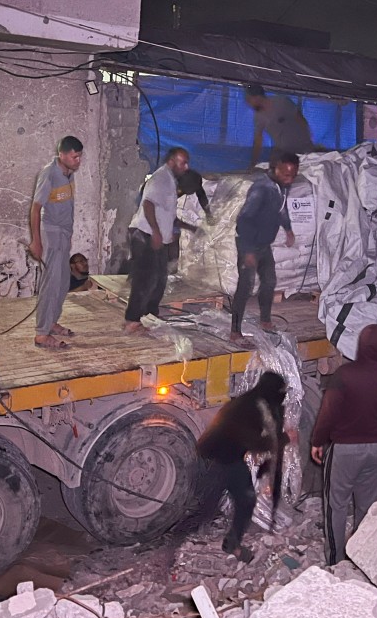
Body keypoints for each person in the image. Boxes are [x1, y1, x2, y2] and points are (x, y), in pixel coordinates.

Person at [311, 324, 377, 565]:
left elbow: (328, 411)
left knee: (336, 505)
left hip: (345, 449)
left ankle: (336, 561)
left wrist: (318, 440)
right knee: (367, 507)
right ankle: (361, 558)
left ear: (361, 346)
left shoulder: (344, 375)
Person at [195, 372, 290, 564]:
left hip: (212, 455)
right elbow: (257, 441)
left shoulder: (248, 401)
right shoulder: (255, 407)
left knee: (206, 503)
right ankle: (232, 545)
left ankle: (191, 539)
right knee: (245, 500)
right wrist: (286, 438)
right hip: (223, 458)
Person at [230, 153, 298, 344]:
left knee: (269, 281)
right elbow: (244, 220)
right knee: (245, 286)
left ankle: (265, 320)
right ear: (274, 168)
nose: (289, 179)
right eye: (285, 174)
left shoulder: (281, 187)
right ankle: (235, 331)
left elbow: (281, 209)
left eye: (293, 175)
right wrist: (249, 250)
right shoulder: (261, 189)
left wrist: (288, 229)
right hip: (248, 244)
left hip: (263, 244)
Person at [124, 147, 191, 334]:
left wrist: (188, 227)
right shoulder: (160, 179)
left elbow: (167, 215)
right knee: (144, 280)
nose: (186, 167)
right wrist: (155, 232)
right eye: (182, 162)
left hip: (156, 237)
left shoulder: (170, 181)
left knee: (160, 279)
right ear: (171, 161)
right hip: (145, 235)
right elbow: (147, 204)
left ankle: (150, 314)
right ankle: (132, 320)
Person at [29, 135, 83, 350]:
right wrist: (36, 241)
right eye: (74, 157)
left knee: (61, 283)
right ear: (62, 155)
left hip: (63, 234)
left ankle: (51, 322)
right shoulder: (49, 173)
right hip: (51, 233)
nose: (78, 161)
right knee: (51, 284)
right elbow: (35, 208)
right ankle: (41, 334)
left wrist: (69, 234)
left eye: (79, 157)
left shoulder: (69, 174)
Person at [244, 84, 315, 168]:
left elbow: (301, 119)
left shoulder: (282, 102)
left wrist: (309, 140)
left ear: (257, 97)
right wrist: (253, 163)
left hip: (302, 148)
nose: (248, 103)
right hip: (284, 152)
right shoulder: (258, 117)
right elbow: (258, 140)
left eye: (249, 99)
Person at [169, 169, 214, 275]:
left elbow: (201, 195)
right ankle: (165, 268)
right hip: (152, 212)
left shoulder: (192, 181)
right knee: (169, 235)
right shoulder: (168, 189)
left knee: (175, 233)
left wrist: (208, 214)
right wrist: (192, 228)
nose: (192, 193)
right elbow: (170, 218)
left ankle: (173, 268)